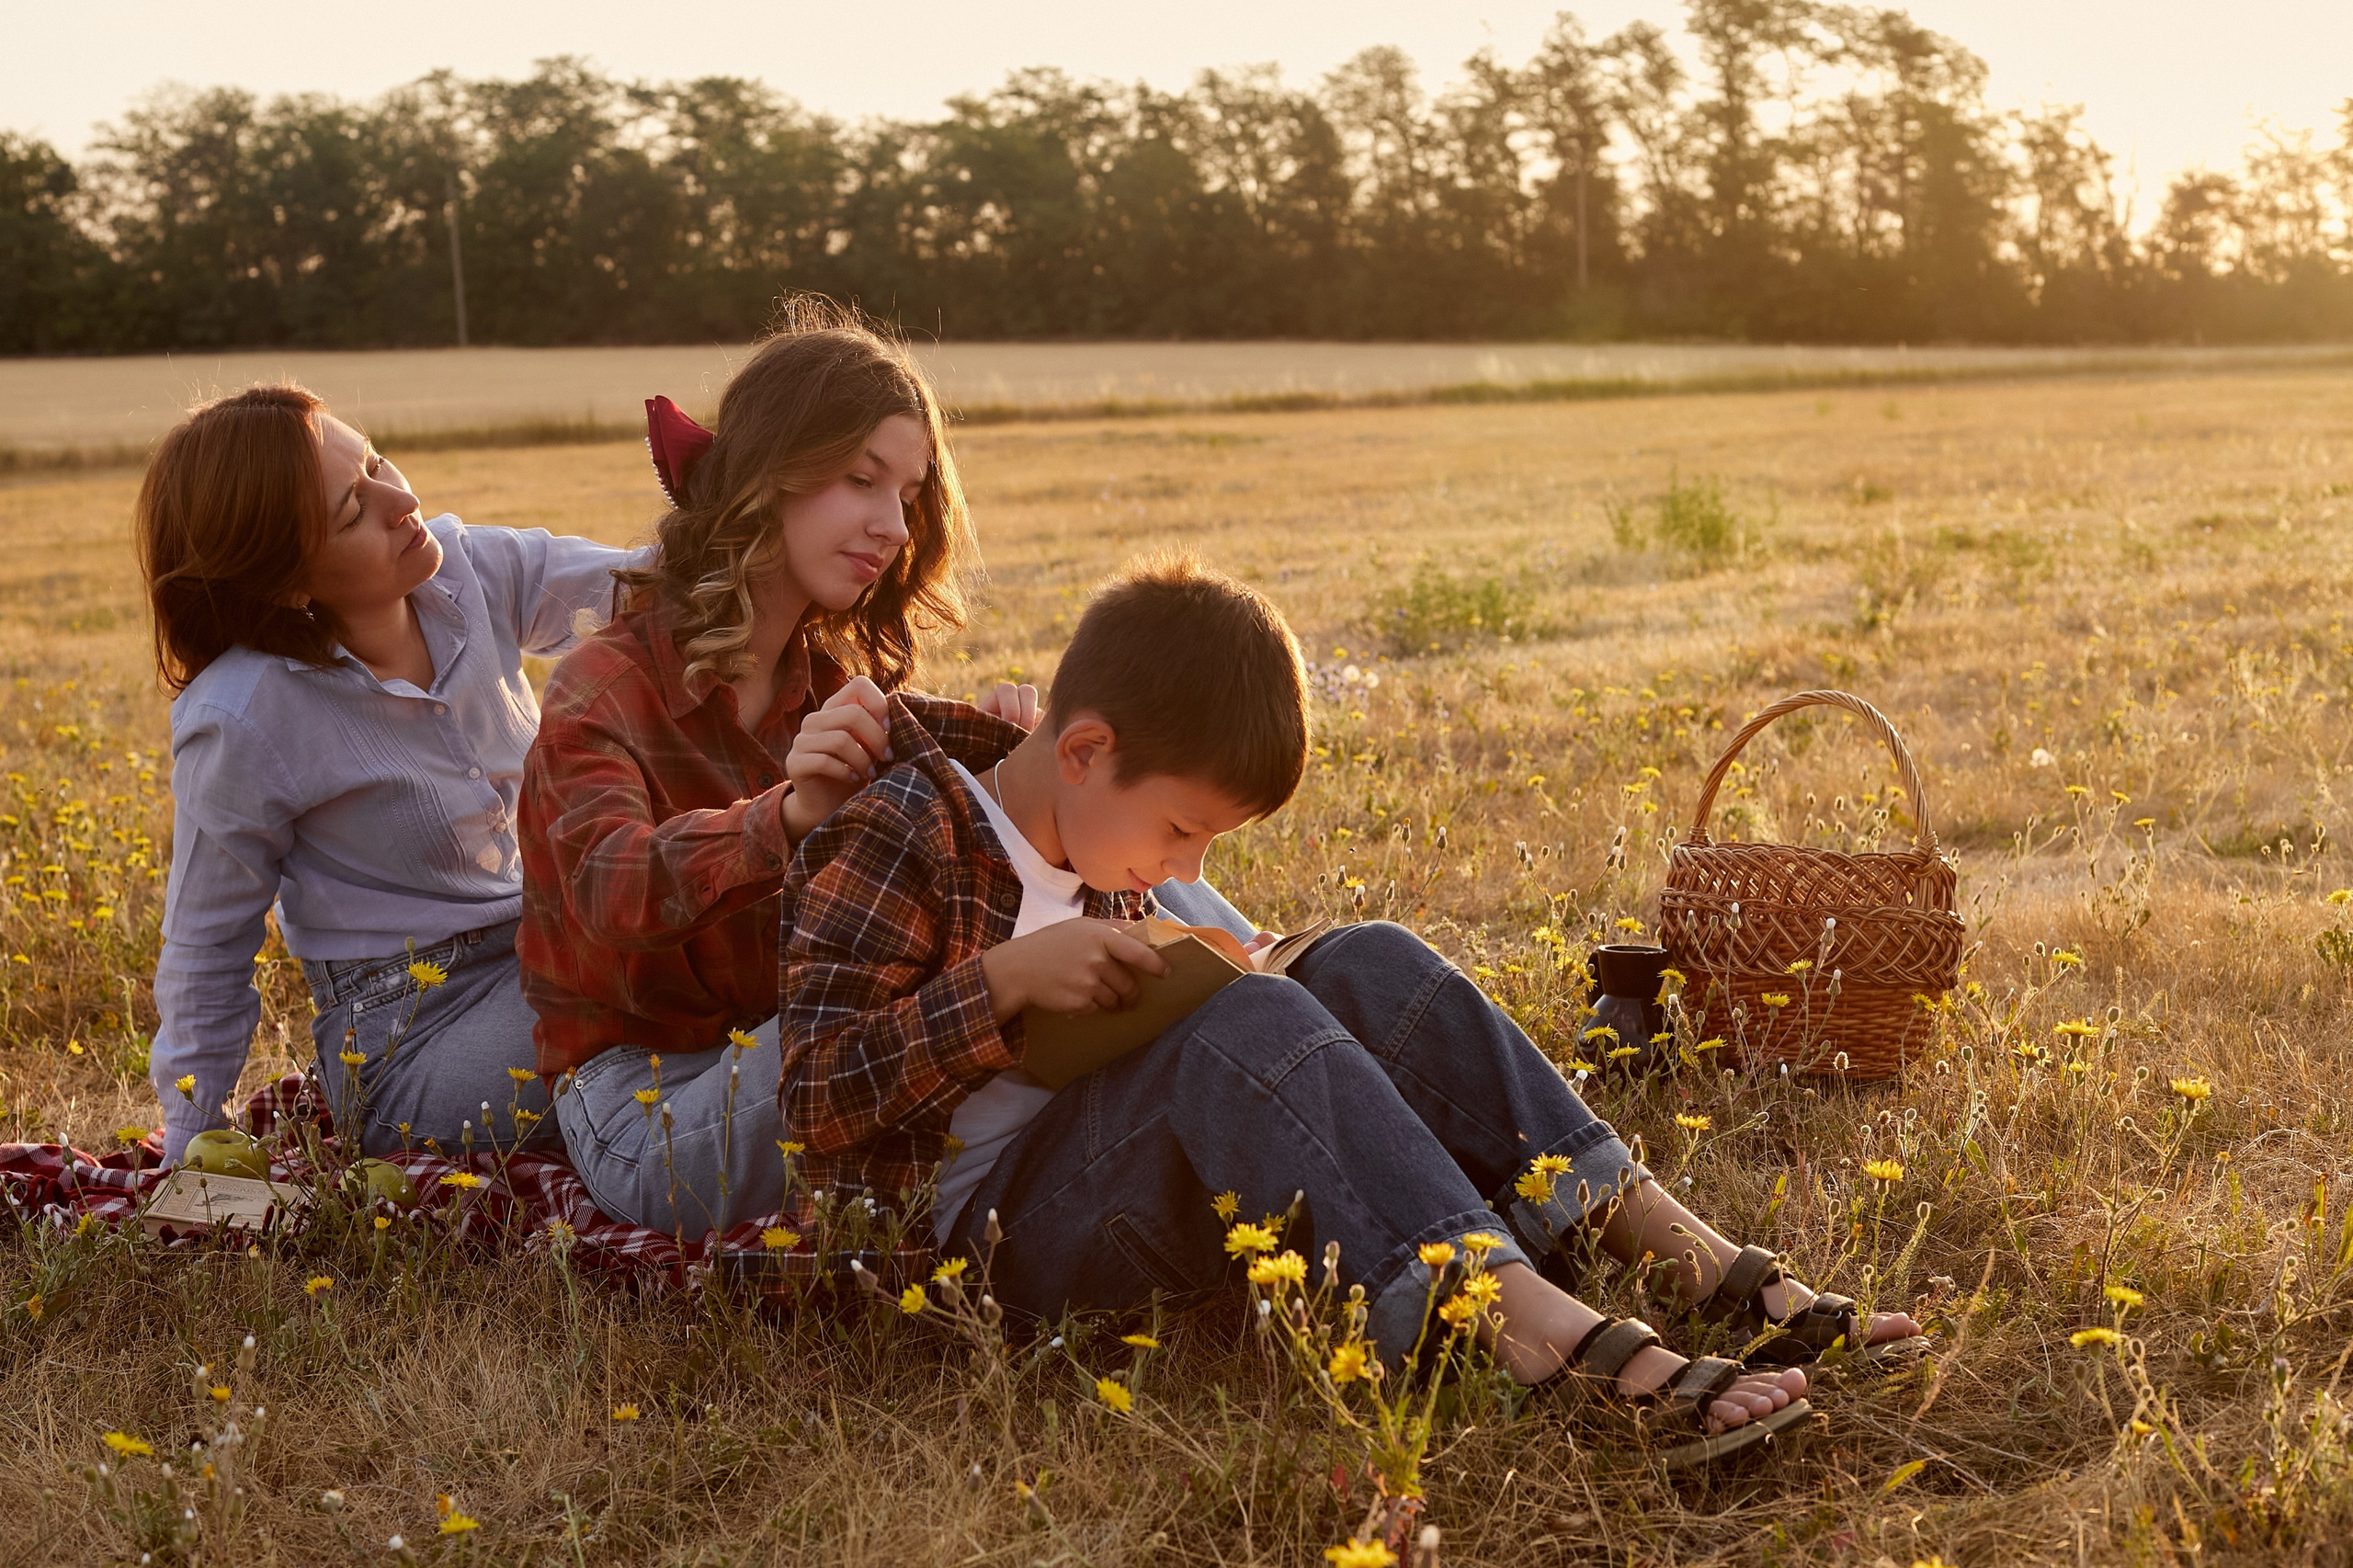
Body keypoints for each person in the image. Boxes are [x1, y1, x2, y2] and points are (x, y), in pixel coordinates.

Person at [780, 555, 1923, 1465]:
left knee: (1365, 958)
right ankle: (1530, 1334)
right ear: (1082, 751)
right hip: (983, 1255)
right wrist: (1004, 986)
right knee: (1247, 1028)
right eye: (1183, 831)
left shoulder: (1091, 822)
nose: (1187, 859)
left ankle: (1677, 1250)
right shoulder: (900, 832)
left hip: (1121, 1161)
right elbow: (814, 1096)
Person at [519, 303, 1003, 1236]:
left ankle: (1266, 972)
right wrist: (784, 817)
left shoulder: (830, 689)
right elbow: (606, 885)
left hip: (787, 1048)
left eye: (906, 494)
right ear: (766, 476)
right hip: (640, 1105)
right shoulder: (604, 685)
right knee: (990, 997)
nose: (891, 524)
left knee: (1034, 943)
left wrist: (1007, 776)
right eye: (862, 479)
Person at [140, 385, 640, 1164]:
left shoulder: (468, 572)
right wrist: (190, 1139)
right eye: (351, 510)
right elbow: (208, 941)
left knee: (711, 960)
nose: (399, 499)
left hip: (551, 945)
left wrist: (775, 532)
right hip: (412, 1030)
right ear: (284, 583)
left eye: (376, 461)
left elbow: (645, 589)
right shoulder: (243, 714)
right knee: (665, 1003)